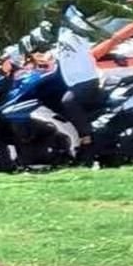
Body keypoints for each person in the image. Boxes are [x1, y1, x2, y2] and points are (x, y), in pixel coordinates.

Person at [41, 19, 102, 164]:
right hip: (72, 82)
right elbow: (59, 52)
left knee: (68, 101)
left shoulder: (79, 32)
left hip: (87, 81)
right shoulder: (62, 32)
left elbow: (89, 32)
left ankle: (87, 140)